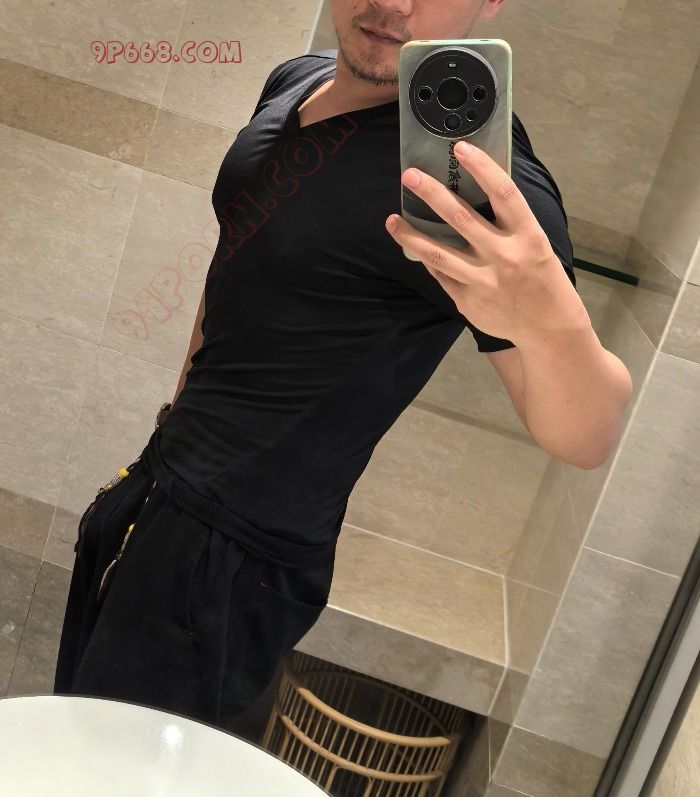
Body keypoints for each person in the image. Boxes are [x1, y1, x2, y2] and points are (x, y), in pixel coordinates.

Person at [54, 0, 583, 730]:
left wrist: (557, 314)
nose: (393, 2)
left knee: (123, 767)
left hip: (234, 563)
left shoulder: (479, 181)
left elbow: (584, 432)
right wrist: (174, 419)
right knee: (76, 745)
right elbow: (237, 262)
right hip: (158, 488)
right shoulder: (295, 80)